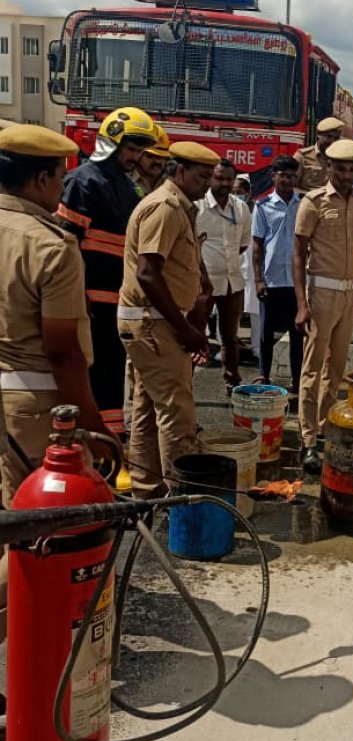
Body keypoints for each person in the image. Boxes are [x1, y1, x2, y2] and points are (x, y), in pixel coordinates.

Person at [0, 126, 116, 651]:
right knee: (32, 530)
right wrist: (92, 426)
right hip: (32, 404)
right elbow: (63, 350)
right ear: (43, 178)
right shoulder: (51, 246)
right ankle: (31, 641)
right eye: (60, 178)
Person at [118, 141, 220, 499]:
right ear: (179, 172)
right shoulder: (165, 207)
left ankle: (147, 492)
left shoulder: (180, 207)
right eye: (202, 176)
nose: (208, 183)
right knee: (177, 412)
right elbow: (148, 274)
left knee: (148, 409)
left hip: (155, 322)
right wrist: (186, 330)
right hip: (153, 324)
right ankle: (183, 499)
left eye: (210, 176)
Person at [58, 106, 160, 438]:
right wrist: (77, 299)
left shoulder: (128, 189)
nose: (135, 157)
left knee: (112, 373)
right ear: (111, 142)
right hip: (88, 300)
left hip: (117, 301)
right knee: (91, 375)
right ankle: (92, 443)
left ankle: (110, 442)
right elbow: (67, 248)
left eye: (139, 151)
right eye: (131, 149)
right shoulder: (83, 183)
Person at [293, 138, 353, 474]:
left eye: (351, 168)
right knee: (312, 369)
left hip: (349, 295)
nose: (346, 175)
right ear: (329, 168)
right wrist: (302, 303)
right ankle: (307, 440)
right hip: (321, 293)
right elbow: (298, 254)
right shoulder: (313, 203)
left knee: (336, 371)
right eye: (339, 169)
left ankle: (326, 431)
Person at [195, 159, 252, 394]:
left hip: (232, 282)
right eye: (220, 178)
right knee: (196, 337)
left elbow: (242, 245)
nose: (225, 183)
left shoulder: (241, 209)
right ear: (210, 178)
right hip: (202, 286)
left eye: (229, 179)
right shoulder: (197, 206)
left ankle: (232, 382)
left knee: (230, 337)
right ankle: (184, 386)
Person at [252, 156, 303, 397]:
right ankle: (264, 374)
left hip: (295, 281)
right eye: (283, 175)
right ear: (274, 175)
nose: (288, 180)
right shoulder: (262, 206)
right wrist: (258, 279)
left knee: (297, 332)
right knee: (266, 332)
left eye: (292, 176)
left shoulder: (303, 204)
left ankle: (296, 378)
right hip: (271, 278)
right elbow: (257, 246)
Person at [293, 117, 343, 193]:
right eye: (328, 136)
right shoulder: (302, 156)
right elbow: (292, 187)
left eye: (336, 138)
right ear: (318, 135)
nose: (332, 141)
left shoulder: (339, 159)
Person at [134, 125, 171, 198]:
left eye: (162, 157)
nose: (157, 161)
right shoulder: (126, 179)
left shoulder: (172, 181)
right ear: (139, 155)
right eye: (150, 156)